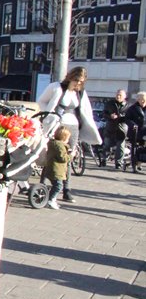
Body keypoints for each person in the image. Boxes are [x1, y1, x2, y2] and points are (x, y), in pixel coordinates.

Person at [37, 66, 101, 203]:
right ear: (71, 77)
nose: (78, 84)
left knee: (69, 157)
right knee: (52, 155)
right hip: (57, 125)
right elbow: (41, 101)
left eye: (81, 82)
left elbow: (86, 111)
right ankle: (43, 184)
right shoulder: (56, 87)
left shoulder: (81, 93)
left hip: (74, 127)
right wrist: (49, 115)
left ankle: (66, 189)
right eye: (76, 80)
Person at [43, 125, 71, 210]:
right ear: (64, 138)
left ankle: (51, 198)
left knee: (56, 185)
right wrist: (71, 155)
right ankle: (51, 199)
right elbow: (63, 158)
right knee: (58, 186)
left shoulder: (53, 144)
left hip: (52, 168)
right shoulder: (60, 146)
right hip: (57, 169)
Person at [99, 89, 128, 168]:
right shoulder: (110, 104)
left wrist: (119, 117)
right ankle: (104, 159)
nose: (118, 96)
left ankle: (118, 163)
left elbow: (128, 117)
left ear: (124, 97)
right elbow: (103, 114)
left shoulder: (128, 105)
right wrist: (110, 116)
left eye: (120, 95)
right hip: (110, 128)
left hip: (121, 129)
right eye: (117, 95)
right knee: (107, 145)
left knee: (120, 147)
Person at [125, 91, 146, 173]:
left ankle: (139, 163)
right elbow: (127, 119)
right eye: (141, 99)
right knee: (135, 149)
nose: (143, 101)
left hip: (145, 131)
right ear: (138, 99)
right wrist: (133, 124)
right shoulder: (132, 108)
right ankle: (134, 165)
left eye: (145, 100)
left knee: (143, 148)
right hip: (135, 132)